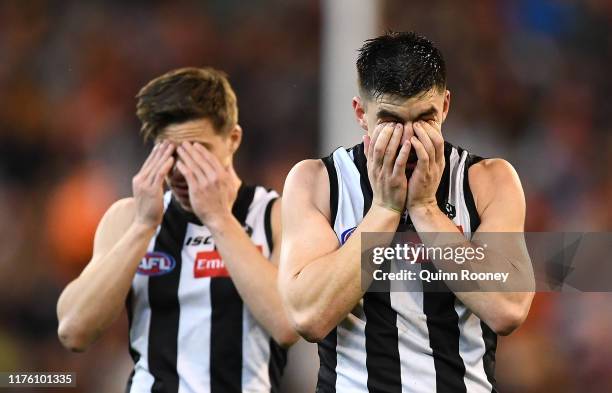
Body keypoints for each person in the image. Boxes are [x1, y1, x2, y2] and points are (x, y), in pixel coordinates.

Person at [279, 31, 534, 392]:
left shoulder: (489, 180)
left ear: (445, 107)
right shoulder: (317, 182)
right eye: (391, 121)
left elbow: (508, 308)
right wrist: (385, 209)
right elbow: (308, 316)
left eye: (425, 119)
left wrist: (426, 209)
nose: (409, 139)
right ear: (360, 114)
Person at [56, 67, 298, 393]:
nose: (183, 171)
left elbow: (288, 324)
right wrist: (143, 227)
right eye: (171, 153)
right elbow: (73, 331)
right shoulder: (128, 218)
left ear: (233, 140)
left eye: (197, 151)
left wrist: (218, 218)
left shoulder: (274, 215)